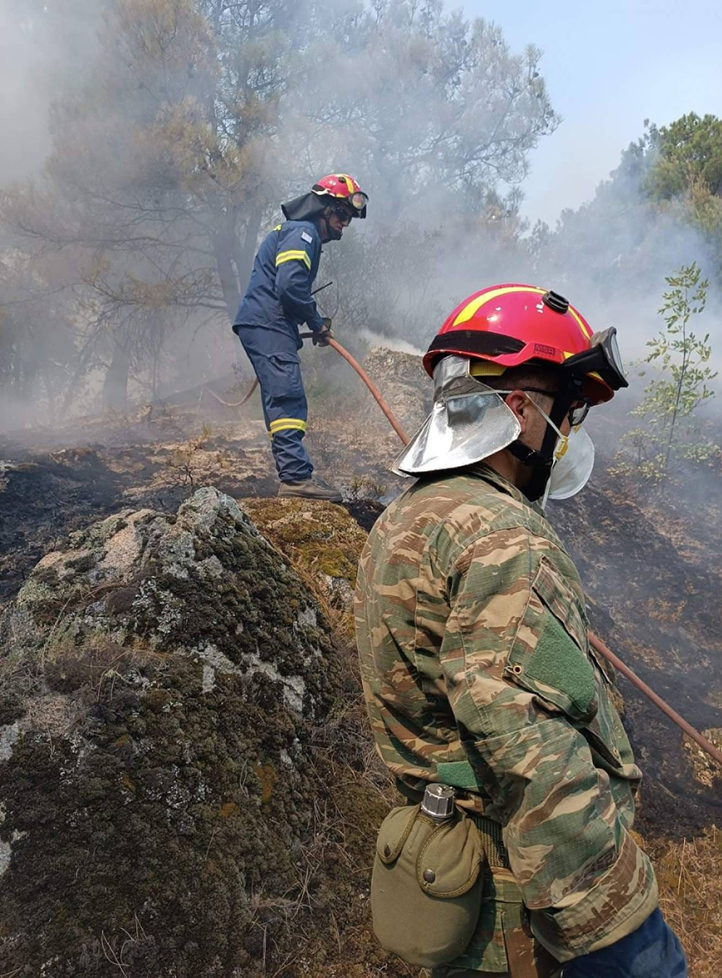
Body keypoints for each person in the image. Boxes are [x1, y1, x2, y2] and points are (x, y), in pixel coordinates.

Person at [354, 284, 688, 978]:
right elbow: (532, 754)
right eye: (567, 414)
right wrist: (621, 935)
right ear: (518, 410)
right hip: (525, 918)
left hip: (451, 886)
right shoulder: (502, 538)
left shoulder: (404, 519)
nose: (569, 436)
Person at [233, 173, 369, 502]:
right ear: (323, 209)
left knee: (285, 396)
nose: (345, 224)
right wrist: (315, 321)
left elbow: (288, 288)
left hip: (268, 324)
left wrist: (310, 319)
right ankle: (295, 480)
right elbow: (290, 286)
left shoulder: (296, 233)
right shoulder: (303, 232)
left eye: (348, 218)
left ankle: (295, 474)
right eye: (342, 215)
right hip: (269, 325)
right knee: (287, 397)